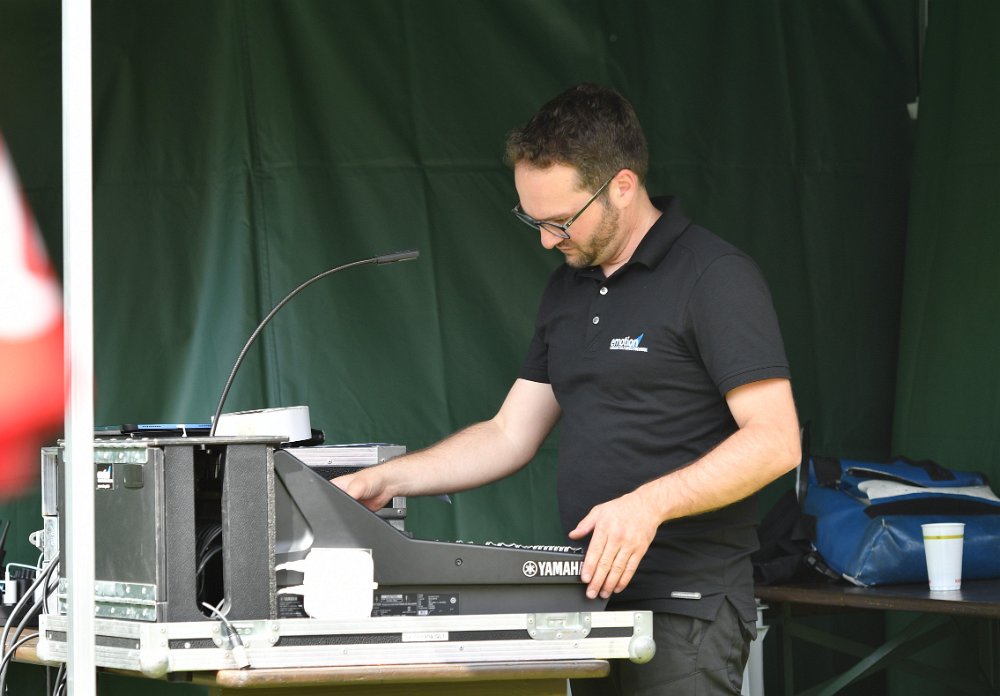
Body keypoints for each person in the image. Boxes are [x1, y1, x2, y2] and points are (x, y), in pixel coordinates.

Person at [333, 83, 800, 695]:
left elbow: (775, 441)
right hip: (587, 600)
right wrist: (386, 480)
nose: (547, 240)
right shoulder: (568, 288)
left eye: (561, 221)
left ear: (623, 186)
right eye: (533, 220)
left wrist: (647, 505)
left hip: (687, 606)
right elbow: (509, 433)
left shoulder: (713, 276)